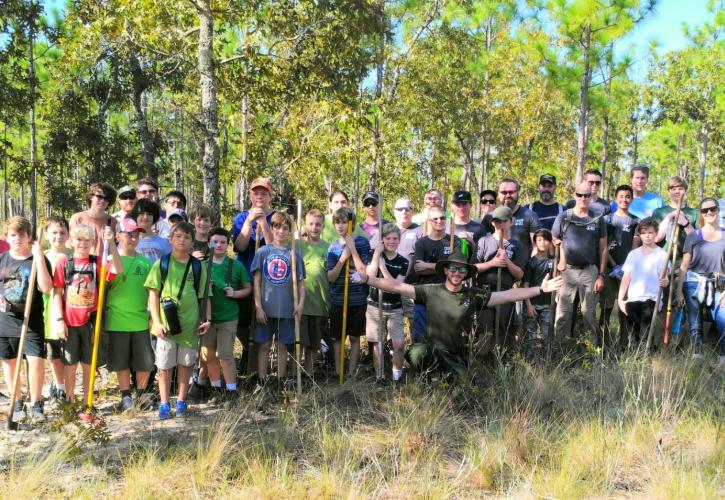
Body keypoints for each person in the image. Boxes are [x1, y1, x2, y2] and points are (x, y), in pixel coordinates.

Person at [360, 249, 562, 378]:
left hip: (457, 356)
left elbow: (509, 294)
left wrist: (540, 290)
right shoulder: (431, 290)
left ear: (466, 274)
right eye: (453, 269)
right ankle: (430, 378)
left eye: (461, 270)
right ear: (446, 271)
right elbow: (396, 286)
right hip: (432, 350)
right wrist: (368, 279)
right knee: (416, 353)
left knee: (464, 382)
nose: (457, 273)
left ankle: (451, 377)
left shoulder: (473, 295)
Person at [145, 222, 210, 420]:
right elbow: (153, 294)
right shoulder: (162, 264)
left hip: (190, 326)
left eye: (187, 237)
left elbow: (205, 296)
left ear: (192, 242)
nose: (182, 240)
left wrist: (206, 319)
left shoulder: (197, 266)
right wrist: (156, 322)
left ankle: (181, 401)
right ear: (171, 239)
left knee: (186, 364)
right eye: (178, 236)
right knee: (164, 366)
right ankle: (165, 403)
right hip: (166, 326)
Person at [53, 224, 122, 405]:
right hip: (69, 322)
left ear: (93, 242)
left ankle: (87, 403)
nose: (83, 243)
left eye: (87, 240)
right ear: (71, 242)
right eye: (79, 239)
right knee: (69, 364)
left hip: (91, 323)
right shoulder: (64, 263)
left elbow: (118, 269)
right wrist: (59, 320)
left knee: (88, 364)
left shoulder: (97, 262)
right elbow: (57, 294)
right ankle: (69, 401)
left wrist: (111, 243)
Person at [0, 216, 53, 423]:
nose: (18, 239)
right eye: (13, 235)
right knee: (9, 363)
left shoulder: (38, 258)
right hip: (5, 320)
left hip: (30, 321)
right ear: (7, 237)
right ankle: (18, 403)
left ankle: (37, 404)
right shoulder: (2, 259)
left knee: (35, 361)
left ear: (30, 237)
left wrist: (39, 257)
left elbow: (46, 288)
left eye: (22, 235)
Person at [104, 217, 154, 412]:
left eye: (136, 234)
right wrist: (108, 243)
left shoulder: (144, 261)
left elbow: (151, 290)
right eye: (128, 234)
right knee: (121, 360)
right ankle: (126, 396)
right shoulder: (109, 259)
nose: (133, 238)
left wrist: (152, 313)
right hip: (118, 319)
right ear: (118, 235)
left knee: (144, 361)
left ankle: (141, 395)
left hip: (140, 319)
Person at [552, 182, 608, 347]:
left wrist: (601, 275)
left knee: (588, 314)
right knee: (563, 314)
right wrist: (557, 244)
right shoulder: (564, 217)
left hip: (590, 271)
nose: (583, 198)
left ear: (591, 196)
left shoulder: (597, 218)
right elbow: (554, 239)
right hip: (567, 271)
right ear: (574, 195)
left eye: (587, 195)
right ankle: (560, 351)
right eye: (580, 195)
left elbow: (604, 248)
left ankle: (591, 352)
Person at [251, 212, 305, 383]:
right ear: (272, 228)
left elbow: (301, 283)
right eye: (277, 227)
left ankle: (281, 380)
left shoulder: (294, 255)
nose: (281, 231)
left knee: (282, 346)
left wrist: (301, 303)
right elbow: (257, 281)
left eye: (285, 228)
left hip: (287, 308)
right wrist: (258, 306)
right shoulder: (263, 252)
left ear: (290, 231)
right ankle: (262, 380)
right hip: (266, 308)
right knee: (264, 345)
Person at [232, 177, 275, 375]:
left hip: (267, 279)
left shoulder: (276, 218)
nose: (260, 197)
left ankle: (258, 366)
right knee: (241, 322)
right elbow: (239, 246)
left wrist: (264, 223)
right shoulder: (241, 218)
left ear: (270, 196)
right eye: (256, 193)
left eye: (264, 193)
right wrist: (250, 221)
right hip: (244, 276)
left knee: (260, 321)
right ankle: (248, 350)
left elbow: (273, 246)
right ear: (250, 195)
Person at [204, 227, 251, 401]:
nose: (219, 245)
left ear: (228, 245)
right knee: (208, 355)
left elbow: (248, 288)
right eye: (215, 241)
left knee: (225, 354)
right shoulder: (201, 265)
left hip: (229, 316)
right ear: (209, 243)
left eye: (223, 242)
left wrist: (235, 293)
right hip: (207, 318)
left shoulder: (236, 265)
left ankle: (232, 390)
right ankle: (216, 388)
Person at [676, 198, 725, 360]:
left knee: (722, 320)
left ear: (717, 210)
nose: (709, 212)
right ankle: (697, 355)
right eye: (705, 210)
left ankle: (722, 355)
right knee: (695, 323)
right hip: (693, 283)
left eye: (712, 209)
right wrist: (679, 291)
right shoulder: (693, 236)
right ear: (701, 214)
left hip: (719, 285)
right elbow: (684, 265)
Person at [326, 207, 370, 379]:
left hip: (357, 299)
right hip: (338, 299)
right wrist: (343, 258)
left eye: (344, 222)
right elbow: (330, 276)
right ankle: (339, 371)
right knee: (338, 338)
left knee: (354, 337)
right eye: (337, 222)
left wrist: (353, 250)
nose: (341, 226)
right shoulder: (333, 247)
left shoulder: (362, 243)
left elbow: (364, 272)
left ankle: (351, 372)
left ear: (352, 223)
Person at [474, 206, 526, 346]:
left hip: (505, 292)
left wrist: (506, 261)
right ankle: (481, 361)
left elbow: (519, 274)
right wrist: (493, 263)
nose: (499, 224)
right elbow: (473, 268)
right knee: (485, 330)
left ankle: (500, 362)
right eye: (496, 221)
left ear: (511, 221)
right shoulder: (483, 241)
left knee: (503, 330)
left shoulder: (516, 245)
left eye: (503, 221)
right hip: (485, 292)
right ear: (492, 222)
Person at [410, 206, 461, 343]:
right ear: (429, 221)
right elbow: (418, 269)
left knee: (443, 337)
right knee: (420, 335)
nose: (439, 221)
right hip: (423, 294)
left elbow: (455, 268)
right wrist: (444, 265)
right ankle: (421, 363)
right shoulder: (422, 242)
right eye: (435, 218)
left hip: (447, 294)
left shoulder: (453, 241)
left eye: (442, 217)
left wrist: (428, 265)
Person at [366, 223, 408, 383]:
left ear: (399, 240)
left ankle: (397, 376)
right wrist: (377, 254)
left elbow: (396, 287)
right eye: (388, 238)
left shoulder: (403, 262)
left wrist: (383, 269)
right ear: (382, 240)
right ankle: (380, 376)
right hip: (375, 306)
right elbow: (369, 277)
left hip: (394, 308)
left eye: (395, 238)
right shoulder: (375, 255)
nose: (391, 241)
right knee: (378, 343)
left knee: (398, 344)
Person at [617, 218, 668, 349]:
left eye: (651, 232)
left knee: (645, 330)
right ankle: (634, 356)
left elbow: (665, 278)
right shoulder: (633, 254)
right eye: (644, 233)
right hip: (634, 298)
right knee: (633, 331)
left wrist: (665, 281)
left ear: (656, 233)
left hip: (652, 298)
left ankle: (644, 356)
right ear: (639, 234)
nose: (648, 236)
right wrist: (621, 299)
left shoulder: (662, 255)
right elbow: (626, 278)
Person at [601, 185, 640, 347]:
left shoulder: (635, 220)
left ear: (632, 199)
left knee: (624, 309)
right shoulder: (607, 219)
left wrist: (625, 267)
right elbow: (603, 246)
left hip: (627, 272)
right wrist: (614, 265)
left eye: (628, 196)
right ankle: (603, 344)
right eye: (621, 196)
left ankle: (623, 345)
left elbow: (635, 246)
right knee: (606, 308)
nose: (624, 199)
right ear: (615, 198)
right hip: (610, 270)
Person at [42, 216, 72, 409]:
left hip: (72, 311)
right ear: (46, 235)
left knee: (69, 353)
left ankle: (70, 390)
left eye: (62, 232)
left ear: (68, 234)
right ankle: (59, 386)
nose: (58, 236)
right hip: (48, 312)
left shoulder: (74, 255)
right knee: (53, 353)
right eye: (54, 232)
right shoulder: (43, 256)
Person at [300, 209, 331, 376]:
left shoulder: (328, 248)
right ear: (305, 225)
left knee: (313, 343)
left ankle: (309, 374)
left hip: (320, 302)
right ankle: (294, 373)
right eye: (311, 224)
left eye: (318, 224)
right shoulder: (298, 245)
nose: (314, 227)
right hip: (301, 304)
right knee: (299, 341)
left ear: (323, 226)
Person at [522, 229, 555, 355]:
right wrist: (528, 305)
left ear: (550, 242)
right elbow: (525, 285)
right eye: (539, 240)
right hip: (532, 304)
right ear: (535, 242)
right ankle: (530, 362)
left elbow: (560, 273)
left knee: (546, 336)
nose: (542, 243)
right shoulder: (531, 263)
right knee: (530, 336)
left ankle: (545, 363)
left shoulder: (553, 261)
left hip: (547, 305)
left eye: (546, 240)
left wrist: (560, 248)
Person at [652, 176, 698, 260]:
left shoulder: (695, 213)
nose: (677, 191)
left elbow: (697, 241)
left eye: (680, 189)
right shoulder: (658, 212)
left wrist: (685, 223)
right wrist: (669, 217)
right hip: (662, 259)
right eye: (673, 189)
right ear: (668, 192)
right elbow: (656, 238)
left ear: (685, 191)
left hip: (686, 261)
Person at [69, 182, 119, 256]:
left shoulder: (113, 222)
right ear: (91, 197)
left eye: (106, 198)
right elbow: (70, 244)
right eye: (99, 197)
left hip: (105, 265)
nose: (102, 201)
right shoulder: (77, 218)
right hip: (82, 264)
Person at [498, 178, 540, 259]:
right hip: (497, 268)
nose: (507, 195)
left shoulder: (530, 216)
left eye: (511, 192)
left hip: (523, 268)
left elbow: (536, 247)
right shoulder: (490, 217)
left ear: (517, 193)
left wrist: (532, 266)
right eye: (504, 192)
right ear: (498, 194)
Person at [132, 199, 172, 264]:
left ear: (154, 217)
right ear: (135, 215)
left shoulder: (163, 243)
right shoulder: (127, 241)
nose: (145, 217)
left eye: (149, 214)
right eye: (141, 213)